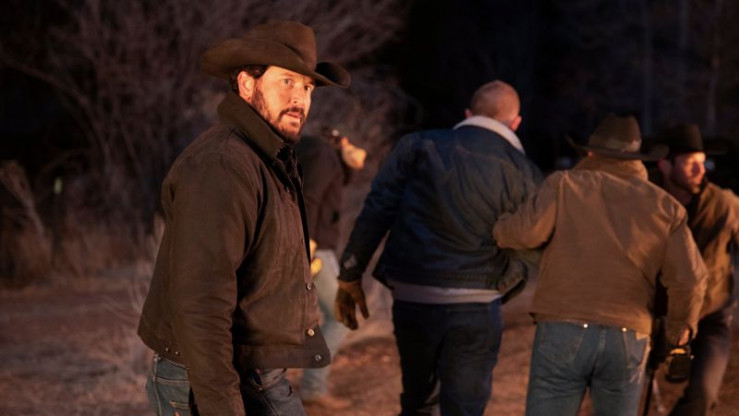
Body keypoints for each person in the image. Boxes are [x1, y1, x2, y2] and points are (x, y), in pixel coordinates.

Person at [137, 21, 350, 416]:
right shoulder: (222, 164)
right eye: (287, 81)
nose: (300, 98)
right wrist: (222, 405)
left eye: (307, 87)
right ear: (247, 84)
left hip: (255, 368)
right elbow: (201, 301)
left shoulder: (268, 158)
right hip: (205, 376)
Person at [336, 80, 543, 416]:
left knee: (418, 401)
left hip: (414, 295)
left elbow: (377, 209)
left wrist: (350, 272)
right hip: (477, 304)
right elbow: (533, 240)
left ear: (468, 114)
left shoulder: (418, 145)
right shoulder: (523, 170)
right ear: (516, 122)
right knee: (464, 408)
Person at [493, 114, 709, 416]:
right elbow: (690, 280)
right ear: (637, 158)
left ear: (591, 153)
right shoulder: (665, 207)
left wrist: (500, 228)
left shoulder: (564, 185)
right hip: (629, 333)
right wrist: (677, 334)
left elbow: (524, 233)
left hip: (563, 326)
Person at [652, 123, 739, 416]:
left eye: (702, 162)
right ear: (665, 165)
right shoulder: (648, 202)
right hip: (659, 314)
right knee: (631, 388)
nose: (700, 170)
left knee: (703, 394)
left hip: (712, 314)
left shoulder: (723, 204)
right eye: (690, 163)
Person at [294, 128, 367, 409]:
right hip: (315, 247)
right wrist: (306, 245)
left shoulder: (312, 152)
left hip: (313, 244)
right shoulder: (322, 154)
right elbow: (309, 197)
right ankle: (313, 388)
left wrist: (349, 164)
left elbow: (334, 184)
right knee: (341, 315)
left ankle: (309, 384)